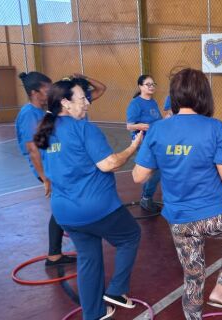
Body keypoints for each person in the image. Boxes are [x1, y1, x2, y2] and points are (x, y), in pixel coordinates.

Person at [132, 68, 222, 320]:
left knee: (193, 279)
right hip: (212, 217)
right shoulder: (214, 127)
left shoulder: (158, 129)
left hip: (179, 220)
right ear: (203, 95)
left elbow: (139, 176)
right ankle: (220, 288)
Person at [34, 80, 142, 320]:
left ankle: (94, 313)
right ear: (65, 103)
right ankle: (116, 291)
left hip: (65, 213)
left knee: (88, 259)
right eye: (82, 99)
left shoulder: (45, 131)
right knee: (131, 236)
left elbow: (50, 168)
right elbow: (109, 163)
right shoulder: (83, 128)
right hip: (97, 208)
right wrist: (133, 147)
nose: (87, 103)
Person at [14, 72, 76, 266]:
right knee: (62, 206)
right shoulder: (28, 115)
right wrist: (45, 178)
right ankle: (54, 255)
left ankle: (55, 253)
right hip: (47, 170)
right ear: (34, 92)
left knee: (64, 204)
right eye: (47, 90)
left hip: (54, 165)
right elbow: (32, 149)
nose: (50, 93)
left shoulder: (44, 111)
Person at [126, 75, 163, 212]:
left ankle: (147, 196)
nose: (151, 87)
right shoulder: (135, 104)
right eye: (148, 84)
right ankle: (146, 197)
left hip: (156, 140)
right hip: (144, 142)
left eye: (153, 84)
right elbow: (129, 126)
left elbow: (157, 120)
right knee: (155, 170)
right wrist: (144, 126)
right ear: (140, 86)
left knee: (157, 169)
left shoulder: (152, 102)